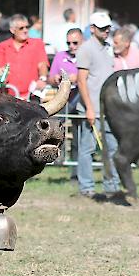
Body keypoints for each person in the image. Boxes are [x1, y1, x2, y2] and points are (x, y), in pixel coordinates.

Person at [75, 11, 120, 199]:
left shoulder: (108, 48)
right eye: (102, 28)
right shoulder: (86, 49)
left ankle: (112, 186)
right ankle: (86, 187)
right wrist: (89, 108)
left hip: (108, 108)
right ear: (92, 29)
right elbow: (82, 80)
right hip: (92, 108)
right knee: (88, 149)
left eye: (108, 27)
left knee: (112, 147)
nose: (106, 31)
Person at [48, 27, 83, 180]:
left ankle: (76, 173)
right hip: (64, 99)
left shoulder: (86, 57)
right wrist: (55, 78)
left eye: (75, 43)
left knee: (78, 138)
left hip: (81, 99)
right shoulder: (60, 56)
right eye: (68, 43)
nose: (71, 46)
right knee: (57, 129)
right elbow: (50, 77)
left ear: (82, 42)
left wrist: (79, 78)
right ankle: (55, 157)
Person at [0, 14, 49, 99]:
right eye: (21, 28)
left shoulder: (37, 44)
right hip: (9, 97)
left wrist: (42, 78)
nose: (25, 30)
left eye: (27, 27)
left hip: (31, 96)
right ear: (12, 30)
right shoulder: (2, 46)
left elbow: (43, 64)